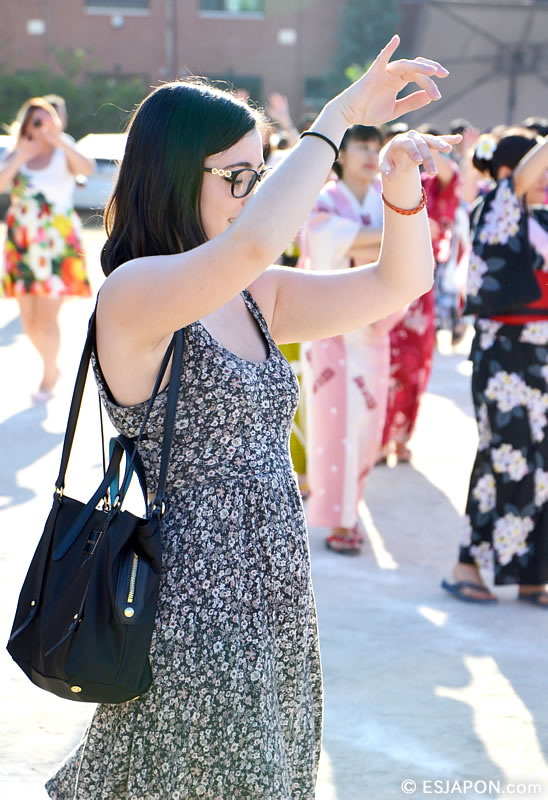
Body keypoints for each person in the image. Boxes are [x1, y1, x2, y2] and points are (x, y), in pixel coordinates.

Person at [44, 37, 456, 798]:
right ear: (172, 177)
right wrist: (338, 118)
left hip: (278, 603)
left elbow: (400, 283)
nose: (251, 193)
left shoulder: (251, 292)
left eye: (255, 175)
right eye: (236, 176)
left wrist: (401, 187)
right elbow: (258, 236)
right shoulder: (135, 294)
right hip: (190, 615)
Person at [442, 129, 548, 606]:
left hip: (542, 356)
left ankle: (532, 572)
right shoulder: (498, 207)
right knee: (503, 457)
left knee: (542, 466)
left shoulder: (540, 218)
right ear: (510, 173)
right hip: (506, 355)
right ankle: (467, 564)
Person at [299, 124, 402, 554]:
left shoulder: (387, 198)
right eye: (361, 145)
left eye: (375, 146)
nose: (370, 154)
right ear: (340, 154)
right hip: (330, 326)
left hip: (373, 326)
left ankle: (350, 506)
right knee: (332, 420)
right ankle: (342, 519)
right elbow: (321, 243)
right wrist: (395, 235)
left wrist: (374, 240)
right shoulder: (325, 199)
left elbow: (414, 250)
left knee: (367, 424)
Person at [0, 97, 95, 402]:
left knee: (47, 318)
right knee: (28, 321)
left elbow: (88, 168)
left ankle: (48, 377)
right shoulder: (18, 152)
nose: (42, 126)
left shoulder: (63, 147)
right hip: (22, 243)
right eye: (36, 121)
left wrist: (58, 140)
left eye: (48, 118)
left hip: (56, 243)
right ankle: (51, 367)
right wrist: (20, 155)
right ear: (26, 124)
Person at [381, 127, 462, 463]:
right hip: (380, 285)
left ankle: (400, 439)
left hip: (419, 292)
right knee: (380, 368)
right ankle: (377, 439)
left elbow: (452, 177)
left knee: (414, 367)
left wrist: (427, 146)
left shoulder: (430, 186)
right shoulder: (377, 183)